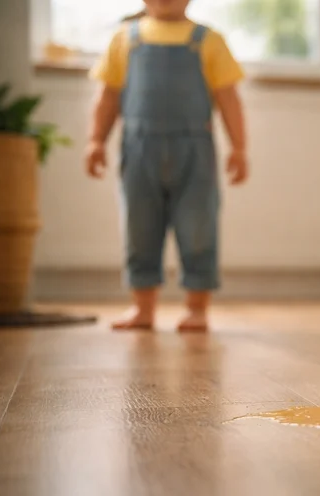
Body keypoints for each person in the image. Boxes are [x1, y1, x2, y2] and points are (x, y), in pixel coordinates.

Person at [85, 0, 248, 332]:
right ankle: (143, 308)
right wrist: (96, 141)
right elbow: (108, 96)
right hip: (139, 150)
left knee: (199, 226)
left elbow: (229, 96)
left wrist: (239, 147)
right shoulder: (125, 39)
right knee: (139, 228)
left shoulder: (209, 40)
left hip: (195, 151)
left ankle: (197, 308)